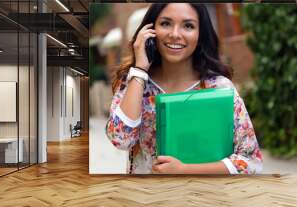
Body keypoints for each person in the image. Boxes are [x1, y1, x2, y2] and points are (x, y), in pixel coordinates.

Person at [106, 3, 263, 174]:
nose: (175, 34)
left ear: (200, 34)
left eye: (188, 26)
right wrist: (140, 69)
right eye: (165, 23)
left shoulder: (219, 88)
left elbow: (250, 162)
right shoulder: (135, 82)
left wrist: (185, 169)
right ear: (150, 31)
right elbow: (121, 140)